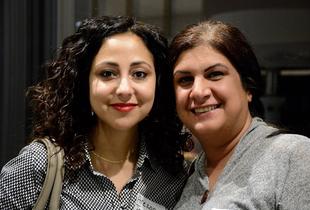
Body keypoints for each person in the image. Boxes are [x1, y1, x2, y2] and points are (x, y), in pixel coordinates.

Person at [0, 15, 190, 209]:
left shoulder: (173, 174)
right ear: (84, 82)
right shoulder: (38, 165)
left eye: (139, 74)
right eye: (107, 73)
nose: (124, 89)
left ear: (158, 84)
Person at [169, 19, 310, 209]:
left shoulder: (295, 155)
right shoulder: (188, 174)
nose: (198, 91)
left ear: (248, 87)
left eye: (215, 74)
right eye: (185, 79)